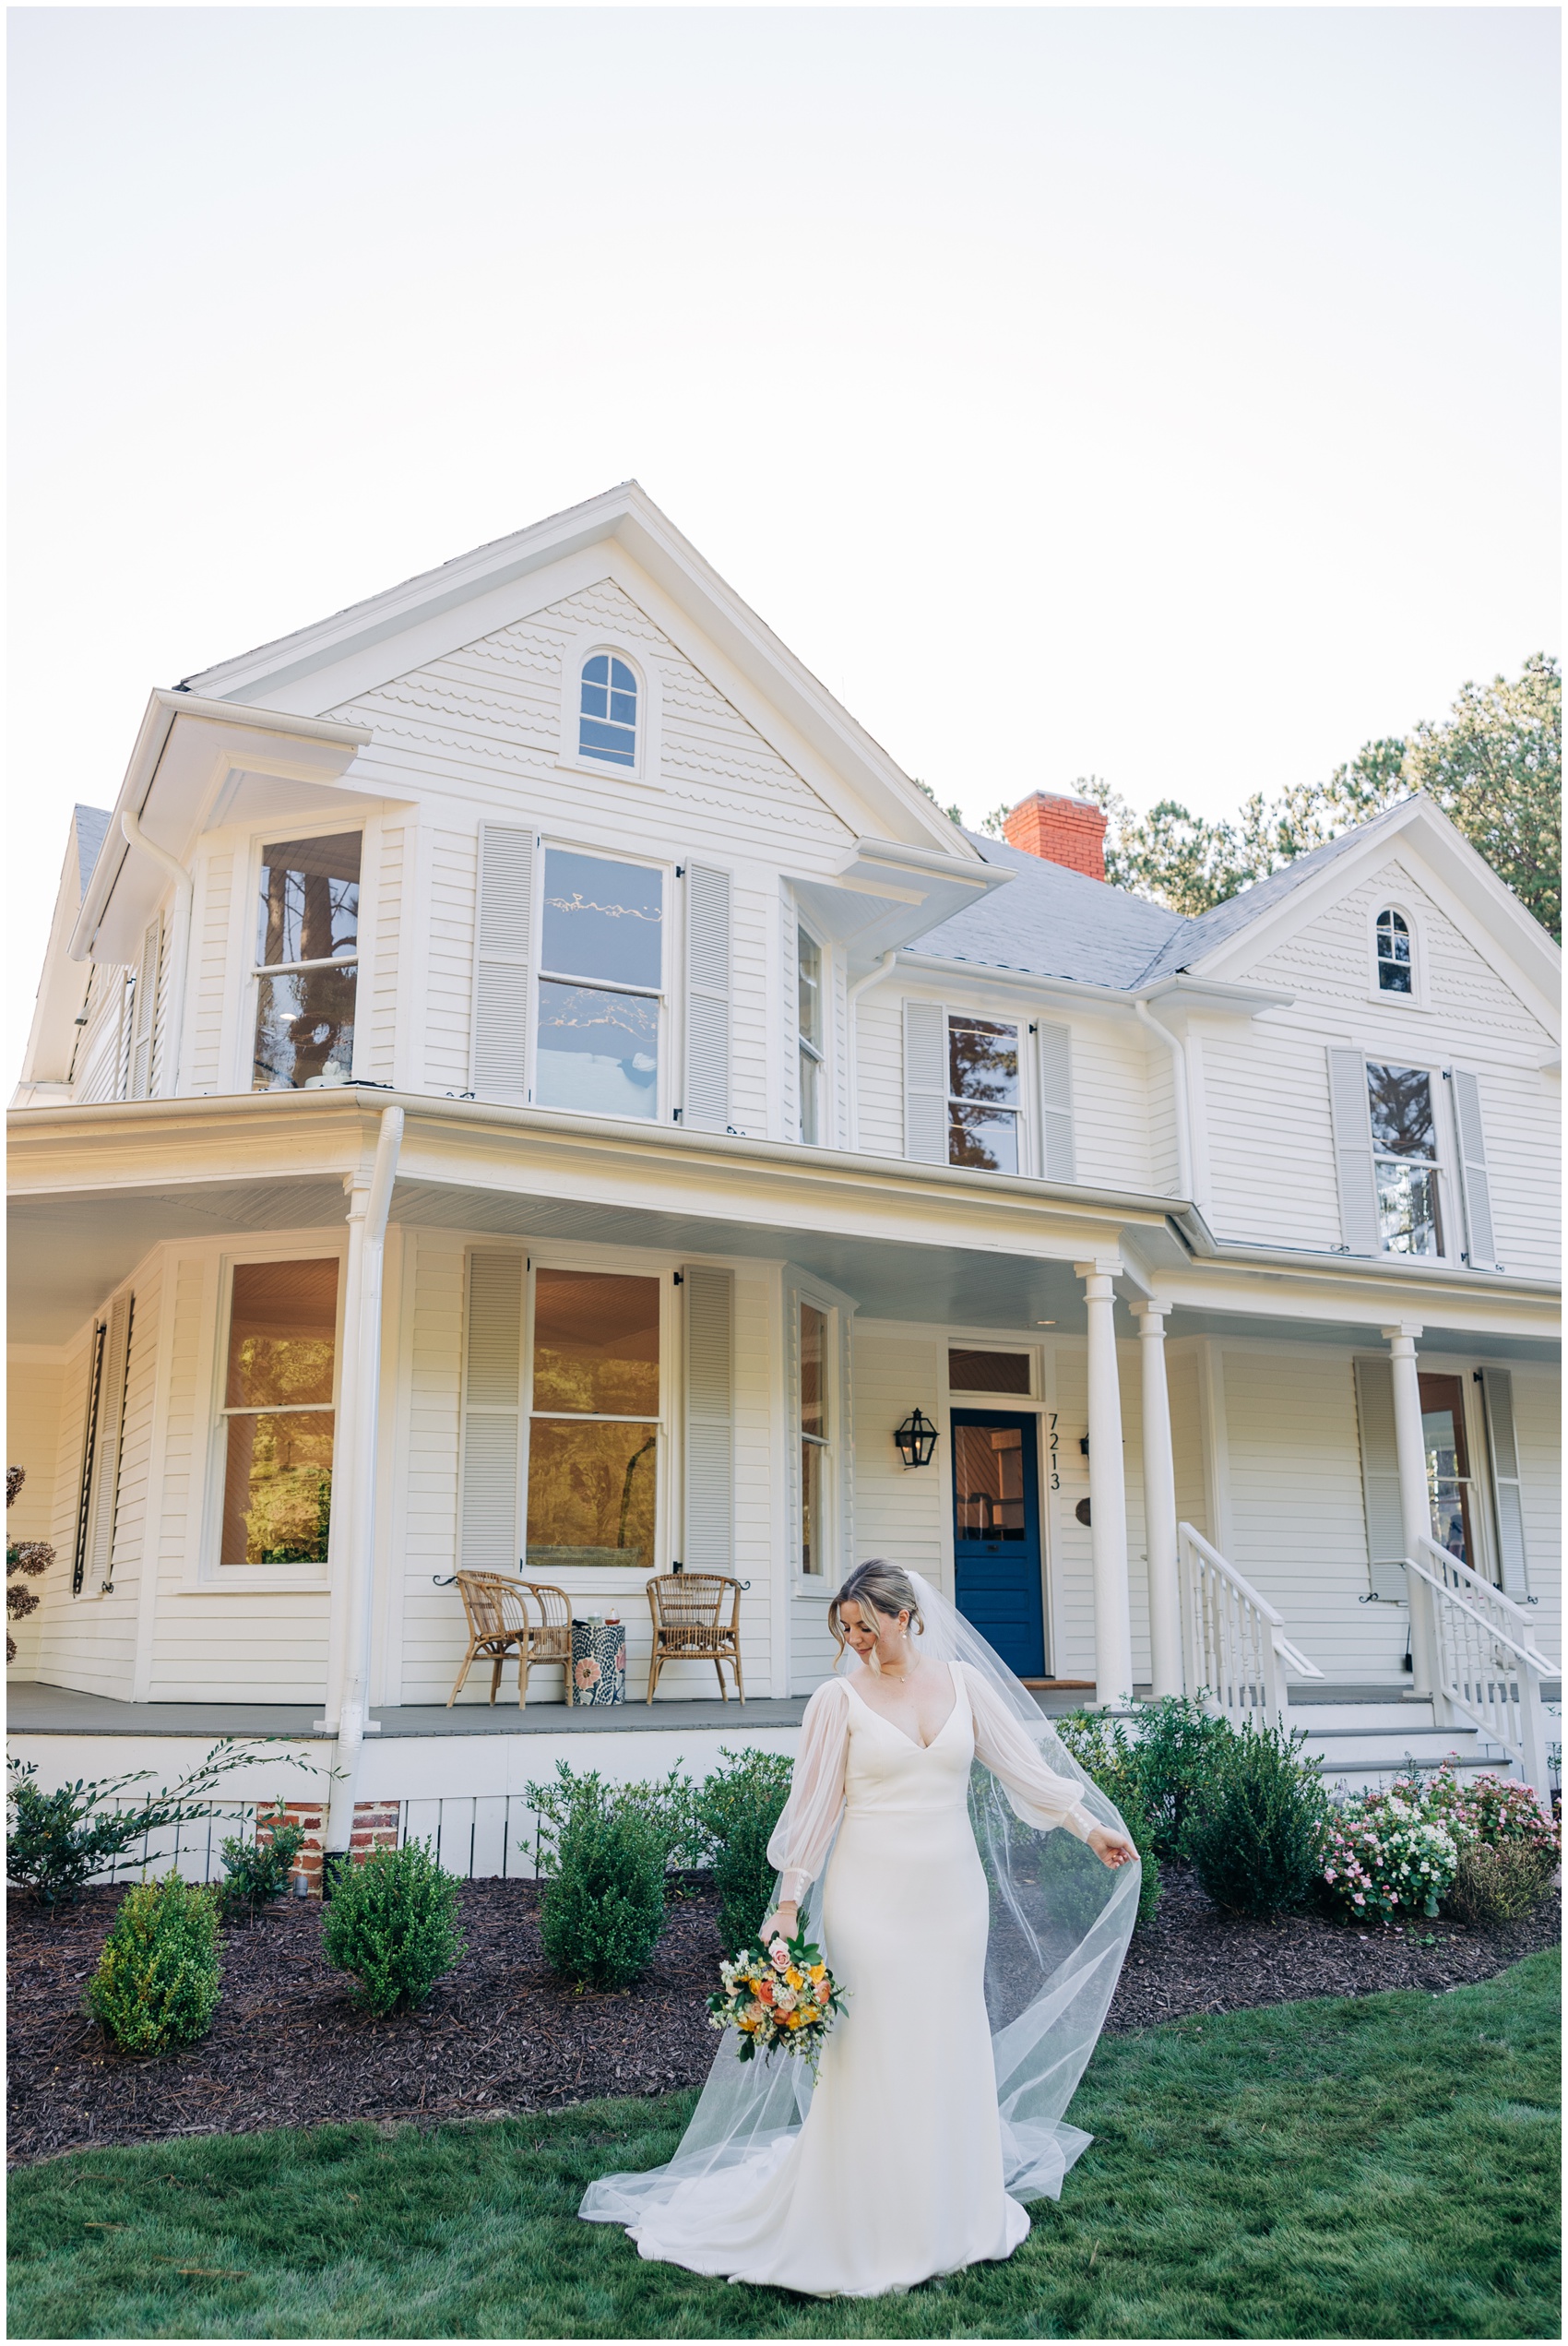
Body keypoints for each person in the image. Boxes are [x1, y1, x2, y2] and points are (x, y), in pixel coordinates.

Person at [580, 1559, 1139, 2298]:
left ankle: (950, 2211)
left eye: (866, 1627)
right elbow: (813, 1809)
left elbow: (1024, 1770)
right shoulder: (835, 1700)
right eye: (845, 1629)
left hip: (951, 1900)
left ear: (905, 1615)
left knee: (945, 2042)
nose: (856, 1642)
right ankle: (864, 2219)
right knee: (872, 2049)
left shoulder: (966, 1687)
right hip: (867, 1901)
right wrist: (786, 1907)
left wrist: (1088, 1825)